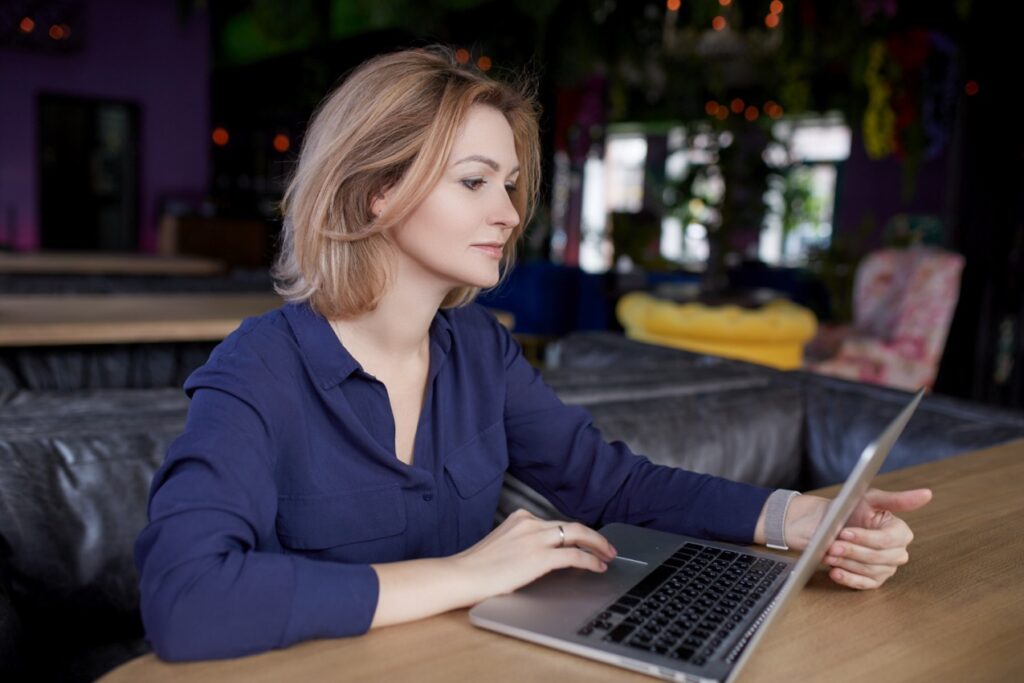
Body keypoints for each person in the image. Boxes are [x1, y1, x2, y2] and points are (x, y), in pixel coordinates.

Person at [134, 46, 932, 662]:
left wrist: (799, 517)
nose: (511, 213)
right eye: (475, 182)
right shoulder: (259, 369)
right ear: (379, 189)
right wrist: (468, 572)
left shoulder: (480, 349)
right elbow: (185, 598)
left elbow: (609, 482)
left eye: (511, 184)